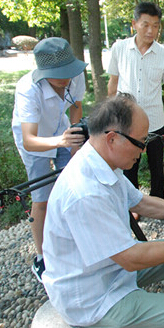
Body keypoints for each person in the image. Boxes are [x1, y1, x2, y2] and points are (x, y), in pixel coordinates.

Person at [42, 93, 164, 327]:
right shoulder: (85, 192)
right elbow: (131, 259)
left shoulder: (104, 162)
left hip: (111, 270)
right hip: (93, 299)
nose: (143, 150)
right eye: (141, 142)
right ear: (112, 139)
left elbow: (140, 202)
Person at [11, 37, 87, 282]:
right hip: (35, 140)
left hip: (61, 129)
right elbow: (29, 139)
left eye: (68, 72)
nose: (66, 79)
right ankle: (42, 257)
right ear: (43, 73)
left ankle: (73, 243)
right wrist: (61, 142)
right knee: (41, 198)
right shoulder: (28, 89)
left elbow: (76, 107)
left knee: (74, 186)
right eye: (58, 75)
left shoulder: (75, 75)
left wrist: (75, 137)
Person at [107, 2, 164, 202]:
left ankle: (158, 202)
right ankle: (132, 205)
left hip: (155, 120)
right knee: (129, 166)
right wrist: (111, 117)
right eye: (146, 24)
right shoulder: (119, 48)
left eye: (155, 26)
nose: (151, 30)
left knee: (157, 166)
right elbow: (112, 83)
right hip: (125, 121)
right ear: (134, 24)